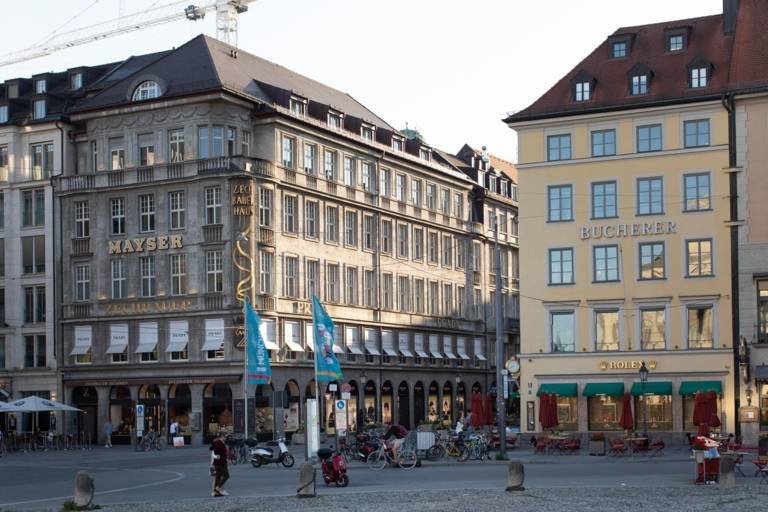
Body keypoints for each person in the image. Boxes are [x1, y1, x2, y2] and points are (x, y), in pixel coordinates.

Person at [210, 432, 229, 497]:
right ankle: (218, 487)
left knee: (218, 477)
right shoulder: (218, 443)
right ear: (222, 436)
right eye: (225, 436)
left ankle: (216, 492)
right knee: (226, 475)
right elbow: (215, 452)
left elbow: (211, 448)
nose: (226, 438)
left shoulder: (217, 442)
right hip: (221, 462)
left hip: (217, 462)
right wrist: (217, 456)